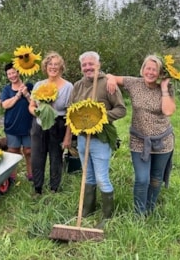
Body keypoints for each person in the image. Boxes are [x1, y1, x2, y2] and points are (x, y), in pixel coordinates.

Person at [106, 54, 176, 216]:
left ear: (160, 73)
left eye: (155, 70)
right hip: (139, 140)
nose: (150, 72)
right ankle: (139, 214)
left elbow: (168, 111)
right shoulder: (134, 83)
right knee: (142, 179)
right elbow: (111, 76)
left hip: (162, 141)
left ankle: (149, 209)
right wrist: (110, 79)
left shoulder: (167, 87)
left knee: (156, 179)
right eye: (148, 68)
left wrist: (164, 89)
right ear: (143, 69)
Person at [65, 51, 126, 228]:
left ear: (98, 65)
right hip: (83, 139)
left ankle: (107, 217)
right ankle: (88, 209)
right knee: (88, 175)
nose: (87, 67)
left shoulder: (107, 83)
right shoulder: (78, 85)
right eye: (84, 65)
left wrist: (99, 117)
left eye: (91, 64)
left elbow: (121, 109)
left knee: (101, 177)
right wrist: (69, 135)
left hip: (100, 139)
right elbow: (70, 111)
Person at [28, 52, 73, 195]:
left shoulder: (68, 87)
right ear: (45, 66)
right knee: (37, 157)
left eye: (56, 64)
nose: (53, 67)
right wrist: (37, 113)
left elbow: (70, 113)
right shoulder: (39, 85)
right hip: (39, 124)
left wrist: (68, 136)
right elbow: (31, 105)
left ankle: (54, 188)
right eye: (50, 64)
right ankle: (38, 188)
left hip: (58, 124)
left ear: (61, 68)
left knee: (55, 158)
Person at [1, 63, 33, 182]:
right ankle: (12, 176)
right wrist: (18, 96)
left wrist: (27, 94)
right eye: (9, 74)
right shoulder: (6, 89)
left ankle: (31, 174)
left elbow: (35, 104)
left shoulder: (29, 86)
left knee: (29, 151)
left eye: (14, 72)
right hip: (12, 125)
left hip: (28, 125)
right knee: (13, 151)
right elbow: (4, 105)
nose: (12, 76)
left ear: (19, 72)